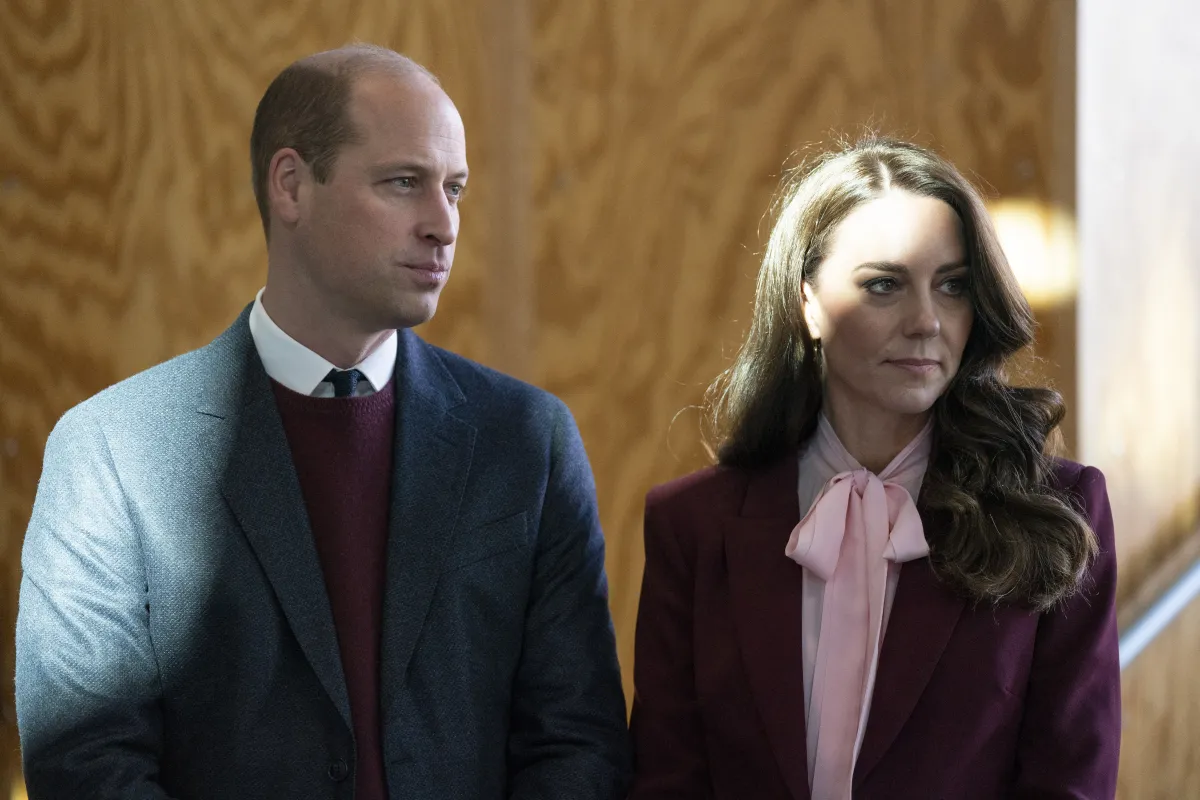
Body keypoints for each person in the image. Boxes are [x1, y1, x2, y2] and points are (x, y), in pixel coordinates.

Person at [15, 44, 630, 799]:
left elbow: (578, 743)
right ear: (291, 185)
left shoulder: (527, 441)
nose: (443, 225)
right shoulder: (111, 452)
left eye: (456, 189)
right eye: (404, 183)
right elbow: (85, 764)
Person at [628, 136, 1120, 799]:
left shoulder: (1062, 509)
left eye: (952, 287)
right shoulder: (693, 526)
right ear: (807, 303)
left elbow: (1071, 782)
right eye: (884, 285)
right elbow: (668, 780)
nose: (926, 321)